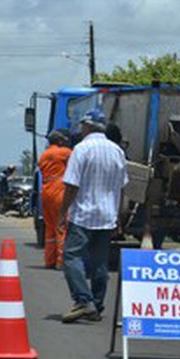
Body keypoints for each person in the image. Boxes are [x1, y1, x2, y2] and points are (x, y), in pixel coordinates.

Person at [58, 110, 128, 323]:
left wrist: (63, 212)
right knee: (100, 263)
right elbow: (122, 188)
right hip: (107, 215)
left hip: (84, 214)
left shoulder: (81, 149)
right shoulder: (117, 151)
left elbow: (71, 185)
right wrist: (119, 217)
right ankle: (96, 306)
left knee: (71, 256)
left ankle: (83, 300)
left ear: (87, 126)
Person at [38, 129, 72, 269]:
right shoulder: (64, 152)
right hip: (59, 189)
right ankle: (61, 260)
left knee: (50, 227)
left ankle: (49, 259)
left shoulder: (44, 155)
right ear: (59, 141)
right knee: (62, 225)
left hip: (46, 190)